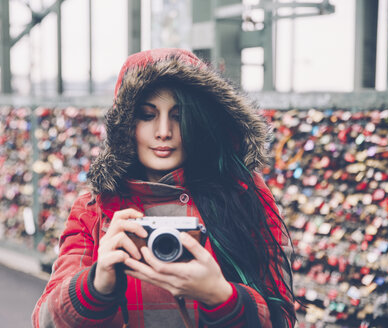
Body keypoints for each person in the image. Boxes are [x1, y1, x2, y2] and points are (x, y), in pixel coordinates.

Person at [32, 48, 296, 328]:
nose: (163, 131)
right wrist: (97, 284)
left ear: (199, 121)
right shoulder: (95, 209)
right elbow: (46, 321)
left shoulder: (244, 194)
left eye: (179, 116)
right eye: (147, 115)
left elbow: (283, 318)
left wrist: (221, 296)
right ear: (125, 125)